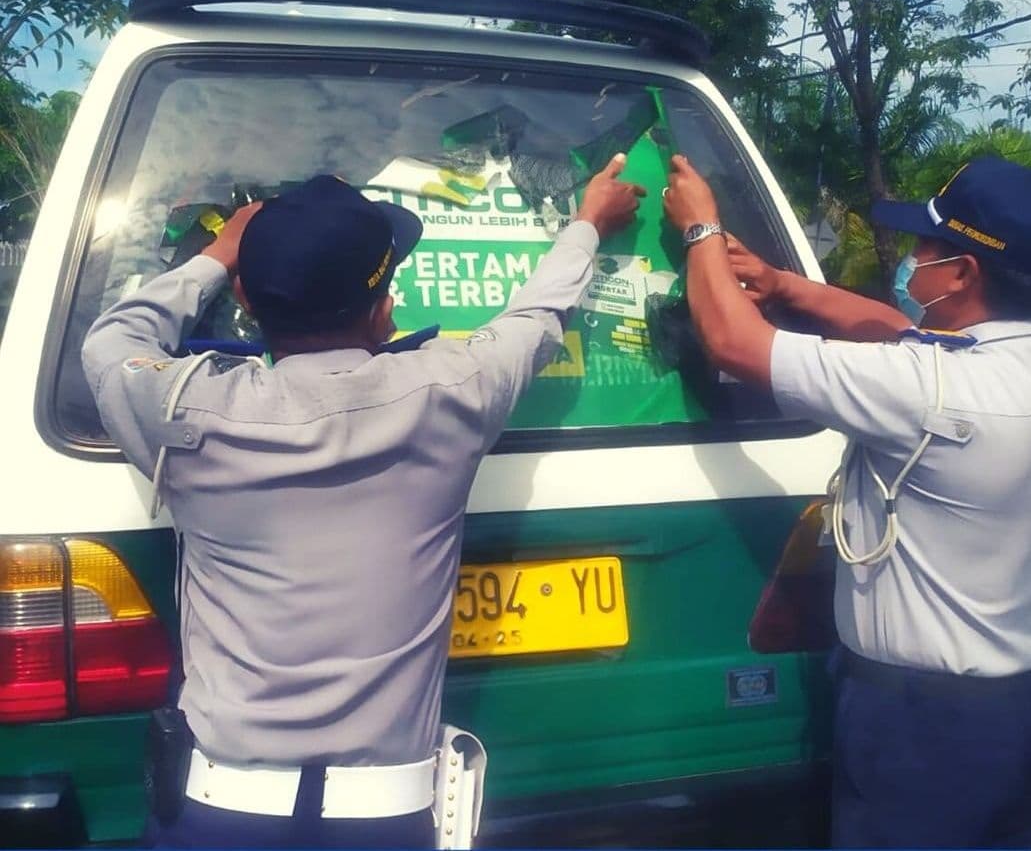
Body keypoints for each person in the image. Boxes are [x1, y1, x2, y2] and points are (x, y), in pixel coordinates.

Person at [81, 157, 644, 849]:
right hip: (388, 820)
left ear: (247, 302)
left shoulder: (183, 408)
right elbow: (537, 312)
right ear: (383, 309)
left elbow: (113, 341)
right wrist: (588, 221)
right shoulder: (454, 389)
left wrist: (219, 253)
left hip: (216, 813)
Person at [662, 153, 1031, 848]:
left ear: (965, 274)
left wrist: (700, 228)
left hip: (918, 731)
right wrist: (782, 281)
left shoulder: (926, 390)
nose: (912, 260)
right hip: (1020, 715)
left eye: (927, 247)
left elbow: (734, 342)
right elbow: (894, 330)